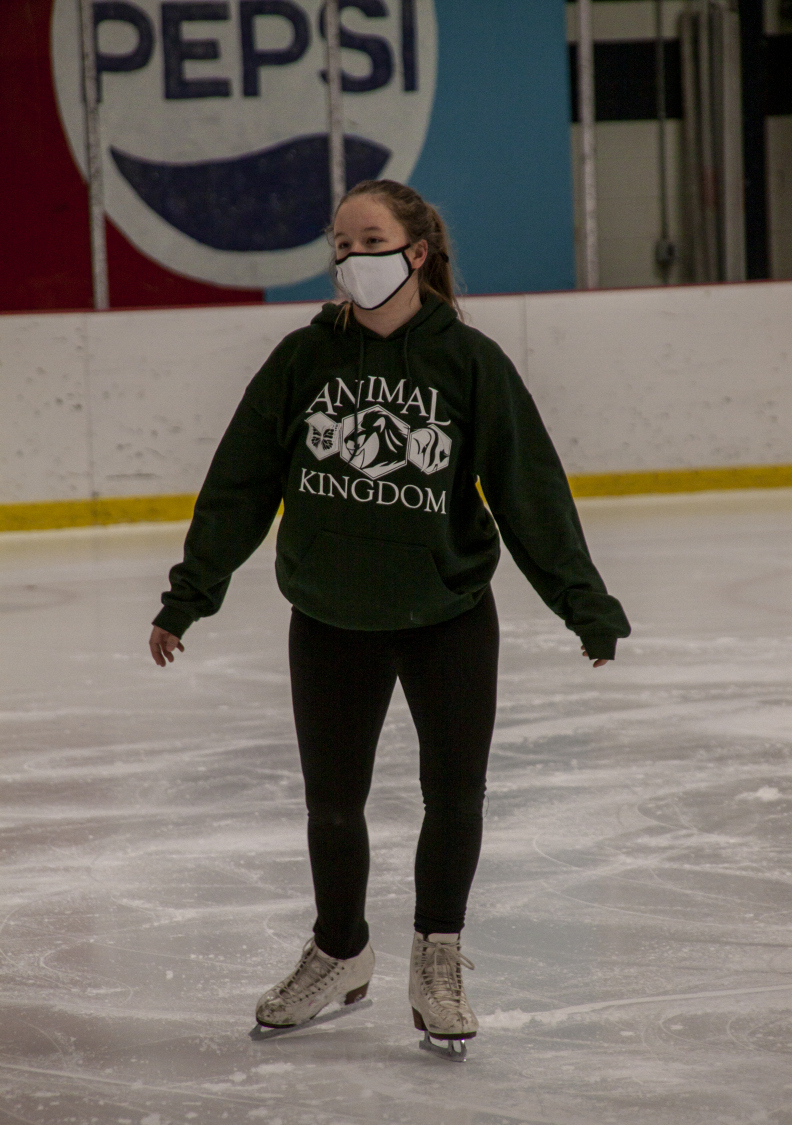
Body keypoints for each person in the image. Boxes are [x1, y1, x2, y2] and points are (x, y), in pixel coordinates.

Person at [149, 179, 630, 1061]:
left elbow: (528, 492)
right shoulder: (303, 359)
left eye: (368, 241)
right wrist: (191, 593)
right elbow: (240, 484)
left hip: (448, 615)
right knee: (333, 806)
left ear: (415, 252)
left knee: (454, 797)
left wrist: (582, 603)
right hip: (330, 615)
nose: (351, 258)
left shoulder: (470, 362)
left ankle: (436, 956)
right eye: (340, 245)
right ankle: (340, 950)